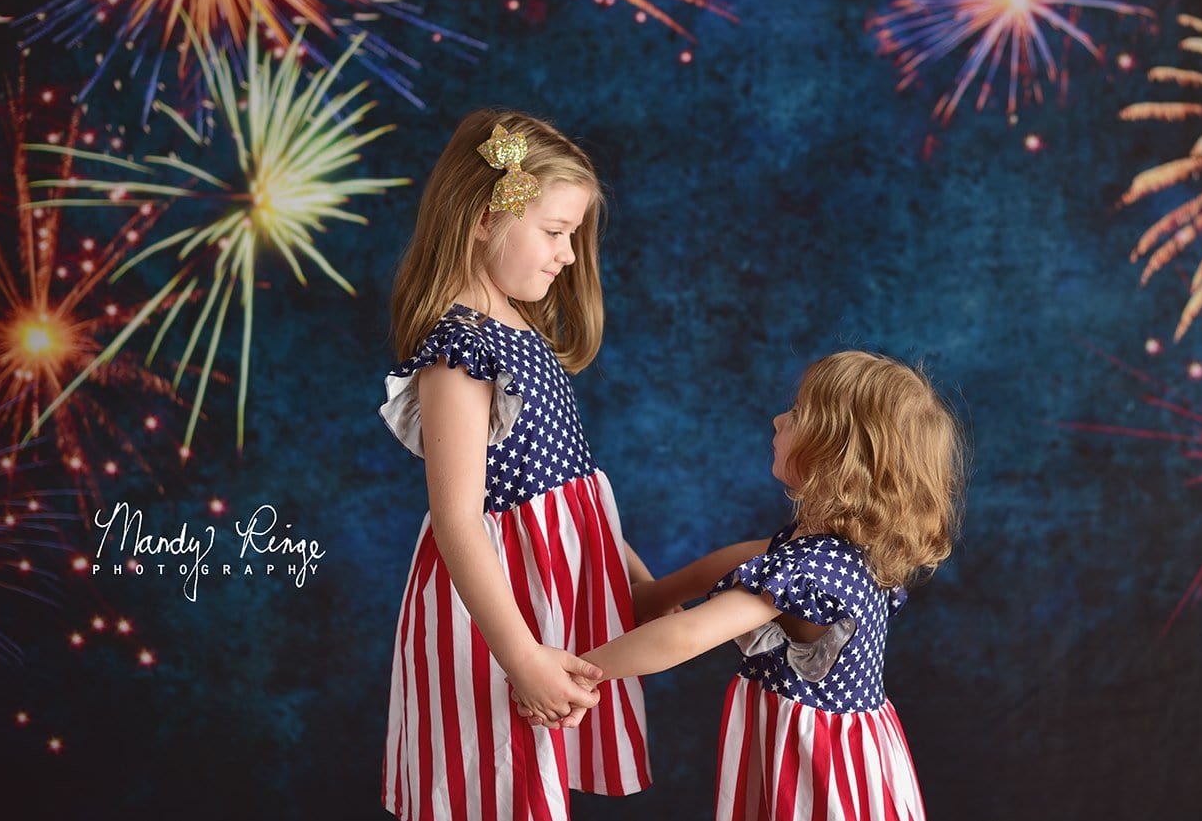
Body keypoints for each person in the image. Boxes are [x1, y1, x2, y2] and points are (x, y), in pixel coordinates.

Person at [545, 350, 966, 820]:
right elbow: (722, 567)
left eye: (800, 413)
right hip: (835, 753)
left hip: (823, 777)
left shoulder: (814, 569)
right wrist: (651, 589)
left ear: (836, 455)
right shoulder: (828, 549)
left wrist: (572, 675)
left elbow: (686, 636)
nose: (778, 417)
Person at [379, 109, 651, 820]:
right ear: (481, 217)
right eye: (556, 232)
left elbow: (567, 491)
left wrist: (626, 571)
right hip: (498, 612)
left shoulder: (515, 324)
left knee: (532, 783)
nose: (567, 255)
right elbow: (458, 518)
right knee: (495, 785)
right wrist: (521, 655)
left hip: (549, 592)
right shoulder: (461, 347)